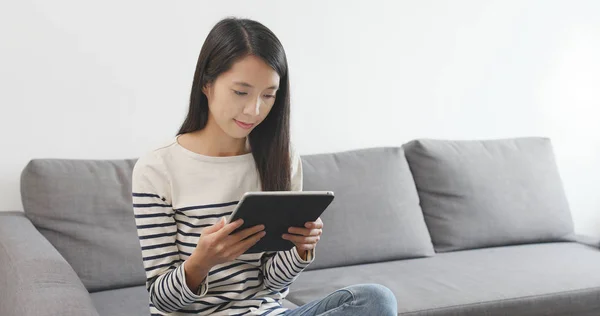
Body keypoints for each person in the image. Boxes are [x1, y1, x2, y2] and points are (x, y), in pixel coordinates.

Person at [132, 17, 397, 316]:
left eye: (268, 95)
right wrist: (201, 263)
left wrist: (299, 250)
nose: (254, 110)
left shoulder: (281, 160)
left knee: (375, 300)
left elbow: (273, 286)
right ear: (207, 84)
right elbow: (162, 300)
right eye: (241, 92)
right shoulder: (157, 169)